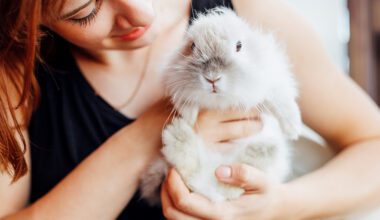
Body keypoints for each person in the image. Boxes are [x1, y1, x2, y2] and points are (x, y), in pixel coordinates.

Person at [1, 0, 380, 219]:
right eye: (84, 10)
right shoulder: (15, 72)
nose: (142, 13)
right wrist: (153, 131)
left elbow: (373, 146)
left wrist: (277, 205)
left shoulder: (245, 16)